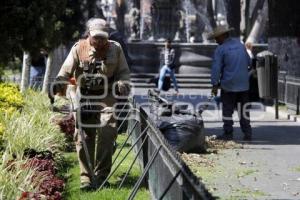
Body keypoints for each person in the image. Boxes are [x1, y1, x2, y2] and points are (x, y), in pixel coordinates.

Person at [53, 18, 130, 190]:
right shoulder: (78, 48)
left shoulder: (115, 49)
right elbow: (65, 71)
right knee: (83, 137)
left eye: (103, 37)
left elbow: (124, 72)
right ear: (89, 34)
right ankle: (86, 178)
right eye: (96, 37)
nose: (100, 41)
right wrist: (60, 82)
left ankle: (101, 176)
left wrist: (122, 84)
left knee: (107, 132)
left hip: (107, 96)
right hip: (85, 96)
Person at [209, 25, 252, 141]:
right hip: (243, 85)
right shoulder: (240, 45)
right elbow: (249, 62)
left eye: (217, 38)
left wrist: (214, 84)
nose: (216, 40)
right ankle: (247, 132)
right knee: (244, 110)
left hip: (228, 85)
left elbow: (216, 68)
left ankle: (228, 133)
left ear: (223, 36)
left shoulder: (220, 49)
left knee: (227, 110)